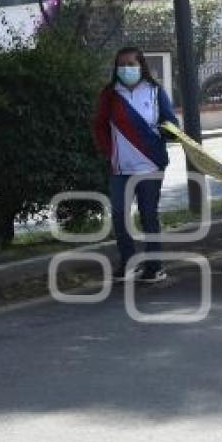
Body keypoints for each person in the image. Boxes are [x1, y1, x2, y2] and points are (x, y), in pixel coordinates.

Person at [93, 46, 179, 282]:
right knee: (120, 214)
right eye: (122, 65)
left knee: (148, 215)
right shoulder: (110, 95)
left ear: (141, 65)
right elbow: (99, 125)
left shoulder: (155, 91)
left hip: (150, 166)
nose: (127, 69)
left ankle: (154, 266)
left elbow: (171, 122)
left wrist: (169, 131)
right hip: (120, 169)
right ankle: (128, 263)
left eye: (132, 64)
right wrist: (108, 152)